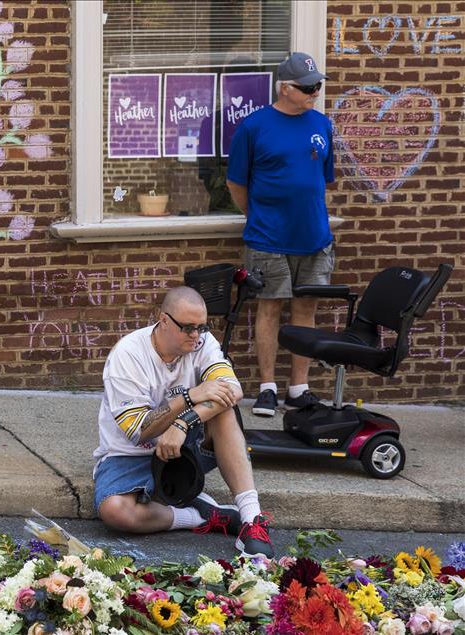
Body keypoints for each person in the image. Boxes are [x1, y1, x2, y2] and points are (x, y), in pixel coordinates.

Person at [93, 286, 275, 558]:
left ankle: (251, 520)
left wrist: (183, 423)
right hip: (130, 455)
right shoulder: (128, 355)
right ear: (163, 320)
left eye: (202, 326)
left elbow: (233, 391)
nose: (196, 336)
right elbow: (139, 431)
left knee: (223, 407)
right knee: (114, 512)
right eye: (188, 328)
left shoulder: (203, 342)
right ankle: (199, 516)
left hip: (184, 446)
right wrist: (188, 397)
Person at [227, 52, 336, 417]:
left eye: (318, 85)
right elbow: (236, 182)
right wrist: (258, 215)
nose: (315, 92)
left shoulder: (322, 125)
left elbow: (323, 179)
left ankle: (298, 388)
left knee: (306, 310)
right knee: (270, 308)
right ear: (285, 88)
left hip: (315, 238)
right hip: (267, 238)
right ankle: (268, 387)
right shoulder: (254, 127)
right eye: (308, 87)